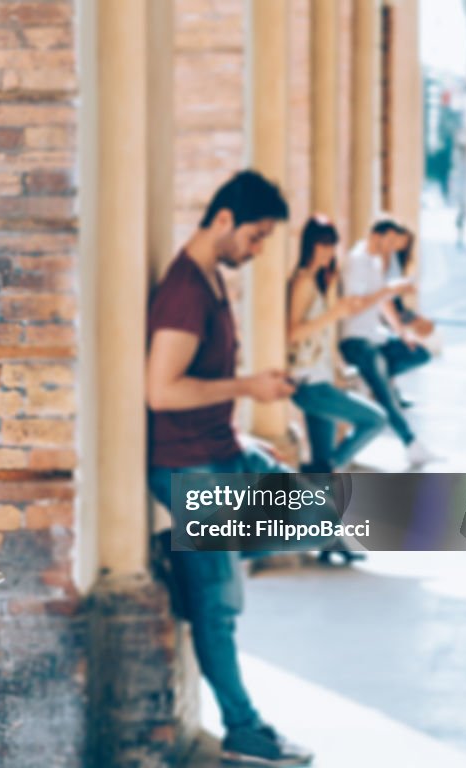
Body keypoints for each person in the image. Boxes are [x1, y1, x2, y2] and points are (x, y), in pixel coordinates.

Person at [146, 171, 313, 767]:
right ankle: (244, 729)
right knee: (218, 607)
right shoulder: (186, 292)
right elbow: (160, 391)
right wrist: (251, 385)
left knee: (311, 504)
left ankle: (191, 555)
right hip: (189, 463)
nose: (259, 248)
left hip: (218, 449)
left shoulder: (211, 279)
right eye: (257, 236)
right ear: (224, 220)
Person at [288, 216, 387, 474]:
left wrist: (336, 369)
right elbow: (293, 333)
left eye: (331, 245)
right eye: (321, 244)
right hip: (308, 384)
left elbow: (321, 336)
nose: (327, 252)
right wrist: (334, 314)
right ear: (308, 245)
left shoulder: (320, 282)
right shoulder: (303, 282)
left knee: (320, 459)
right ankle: (329, 470)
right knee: (376, 419)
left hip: (320, 380)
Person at [338, 217, 440, 467]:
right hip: (357, 340)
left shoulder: (374, 262)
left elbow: (383, 304)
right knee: (385, 393)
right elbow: (355, 305)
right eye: (391, 241)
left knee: (419, 353)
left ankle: (371, 379)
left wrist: (402, 333)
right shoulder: (356, 261)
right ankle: (411, 443)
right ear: (376, 235)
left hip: (375, 337)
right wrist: (390, 289)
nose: (393, 248)